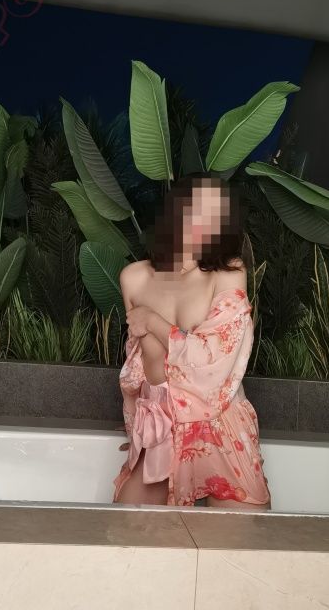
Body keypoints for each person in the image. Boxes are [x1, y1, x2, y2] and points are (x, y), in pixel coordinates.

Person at [112, 173, 271, 510]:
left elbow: (215, 356)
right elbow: (138, 368)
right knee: (127, 534)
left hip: (219, 424)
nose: (203, 221)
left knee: (245, 541)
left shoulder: (228, 273)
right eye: (195, 208)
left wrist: (153, 322)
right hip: (160, 426)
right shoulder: (134, 278)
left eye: (214, 214)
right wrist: (137, 431)